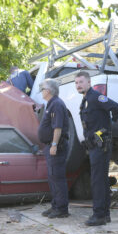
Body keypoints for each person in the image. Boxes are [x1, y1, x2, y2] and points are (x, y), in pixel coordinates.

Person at [74, 71, 118, 226]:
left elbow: (115, 107)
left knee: (97, 181)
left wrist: (109, 126)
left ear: (89, 82)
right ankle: (105, 214)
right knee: (101, 180)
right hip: (94, 146)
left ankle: (99, 215)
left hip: (101, 146)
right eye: (76, 83)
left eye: (81, 82)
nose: (79, 85)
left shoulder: (95, 97)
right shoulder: (86, 100)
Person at [37, 79, 70, 219]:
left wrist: (54, 144)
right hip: (49, 145)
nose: (41, 91)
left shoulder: (56, 104)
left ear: (48, 91)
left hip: (56, 145)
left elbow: (58, 127)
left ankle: (62, 209)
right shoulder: (51, 104)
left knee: (57, 177)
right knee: (52, 177)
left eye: (42, 89)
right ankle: (55, 205)